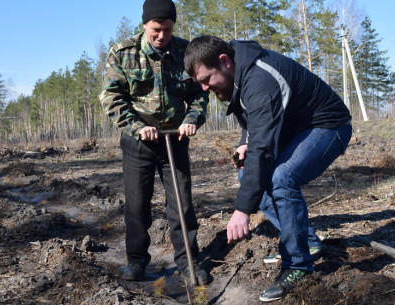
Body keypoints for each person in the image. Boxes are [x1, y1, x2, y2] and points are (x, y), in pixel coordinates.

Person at [184, 35, 352, 302]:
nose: (204, 88)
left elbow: (263, 147)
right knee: (247, 174)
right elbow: (253, 122)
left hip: (328, 127)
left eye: (206, 80)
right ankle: (305, 241)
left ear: (224, 62)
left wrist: (242, 211)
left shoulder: (260, 77)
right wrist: (245, 143)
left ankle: (298, 266)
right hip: (295, 130)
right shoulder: (239, 73)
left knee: (280, 178)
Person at [99, 0, 211, 285]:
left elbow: (199, 93)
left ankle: (188, 262)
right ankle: (136, 262)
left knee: (182, 204)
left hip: (176, 139)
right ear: (145, 25)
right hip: (139, 143)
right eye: (156, 30)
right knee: (137, 206)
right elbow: (112, 98)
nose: (162, 36)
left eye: (168, 30)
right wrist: (137, 127)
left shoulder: (186, 52)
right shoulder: (123, 54)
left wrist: (192, 120)